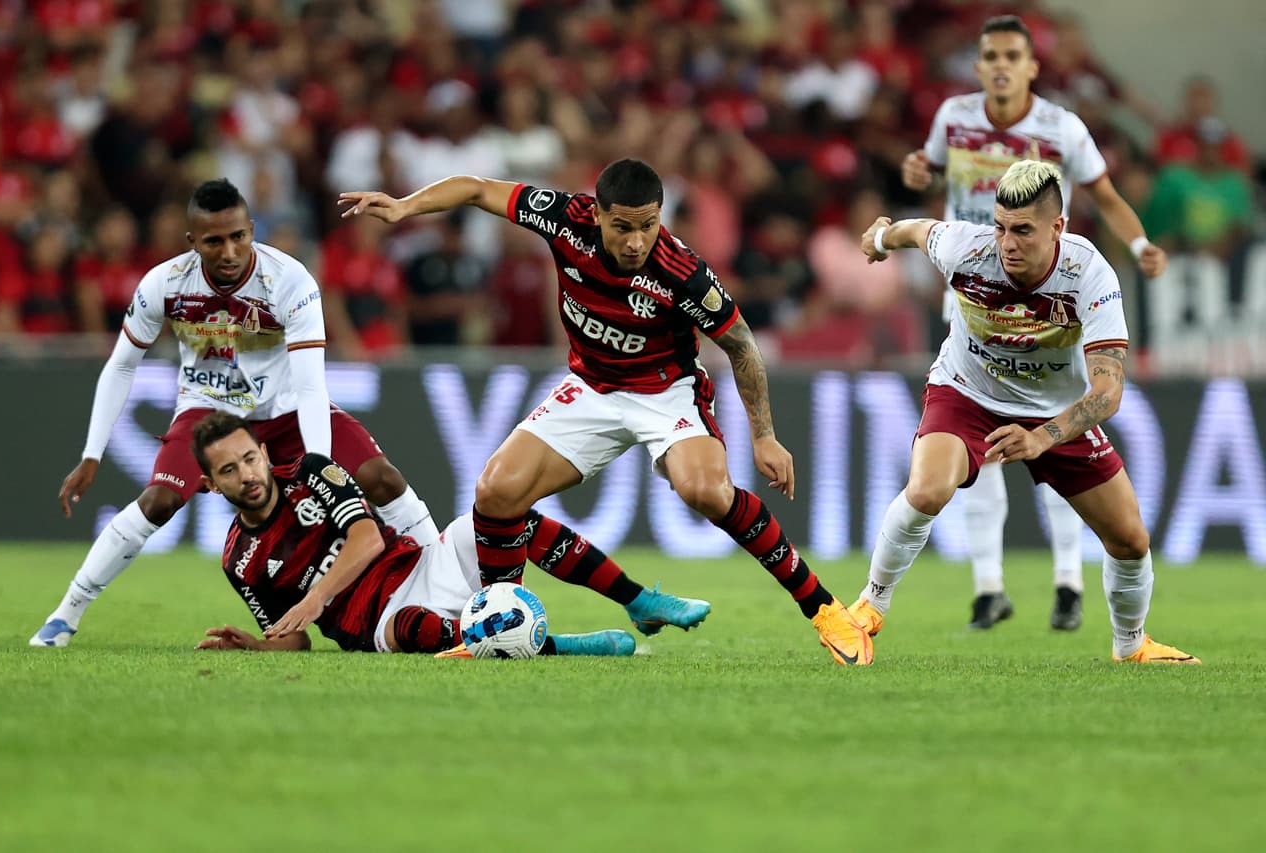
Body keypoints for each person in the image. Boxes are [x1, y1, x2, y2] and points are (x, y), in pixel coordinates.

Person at [339, 158, 873, 665]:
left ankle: (824, 609)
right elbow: (477, 188)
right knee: (495, 492)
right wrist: (406, 206)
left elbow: (740, 343)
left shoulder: (681, 272)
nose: (637, 240)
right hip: (591, 387)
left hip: (666, 392)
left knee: (706, 491)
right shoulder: (561, 217)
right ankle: (499, 624)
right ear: (595, 213)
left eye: (648, 225)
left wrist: (764, 436)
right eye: (623, 227)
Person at [29, 179, 439, 648]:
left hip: (287, 410)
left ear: (251, 229)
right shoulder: (164, 284)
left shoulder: (290, 281)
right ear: (192, 243)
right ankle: (65, 615)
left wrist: (320, 461)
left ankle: (440, 569)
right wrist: (91, 453)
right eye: (214, 241)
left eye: (238, 236)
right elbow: (122, 363)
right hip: (209, 414)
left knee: (381, 477)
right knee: (158, 502)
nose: (229, 250)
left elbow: (310, 382)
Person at [848, 159, 1198, 665]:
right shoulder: (967, 249)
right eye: (1001, 227)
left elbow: (1108, 393)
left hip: (1054, 411)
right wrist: (880, 239)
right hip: (967, 392)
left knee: (1129, 539)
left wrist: (1043, 437)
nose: (1007, 243)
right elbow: (918, 231)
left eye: (1023, 231)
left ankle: (1132, 646)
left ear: (1058, 228)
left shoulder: (1089, 274)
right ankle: (869, 606)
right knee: (927, 489)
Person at [900, 15, 1168, 632]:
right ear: (978, 64)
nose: (999, 65)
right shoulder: (952, 117)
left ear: (1031, 66)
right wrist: (920, 173)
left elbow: (1103, 194)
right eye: (990, 54)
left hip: (1051, 301)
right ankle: (989, 585)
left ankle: (1068, 580)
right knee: (980, 446)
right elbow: (931, 172)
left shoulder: (1060, 128)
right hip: (975, 286)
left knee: (1055, 423)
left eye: (1012, 55)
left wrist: (1139, 242)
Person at [191, 411, 696, 656]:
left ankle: (637, 600)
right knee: (411, 626)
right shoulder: (240, 562)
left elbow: (366, 537)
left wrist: (315, 598)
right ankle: (559, 646)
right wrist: (258, 647)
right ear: (211, 485)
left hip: (421, 562)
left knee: (511, 522)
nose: (249, 475)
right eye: (230, 470)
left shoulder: (310, 473)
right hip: (378, 620)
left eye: (251, 458)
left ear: (263, 451)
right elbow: (294, 641)